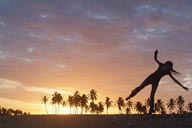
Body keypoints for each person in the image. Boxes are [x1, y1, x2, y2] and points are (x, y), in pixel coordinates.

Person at [126, 49, 188, 114]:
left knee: (152, 95)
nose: (168, 68)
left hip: (156, 82)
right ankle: (130, 96)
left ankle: (151, 110)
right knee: (141, 87)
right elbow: (155, 59)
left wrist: (182, 86)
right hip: (150, 78)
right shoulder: (161, 65)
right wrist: (155, 54)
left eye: (169, 67)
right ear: (166, 64)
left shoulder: (168, 72)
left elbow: (175, 80)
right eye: (168, 66)